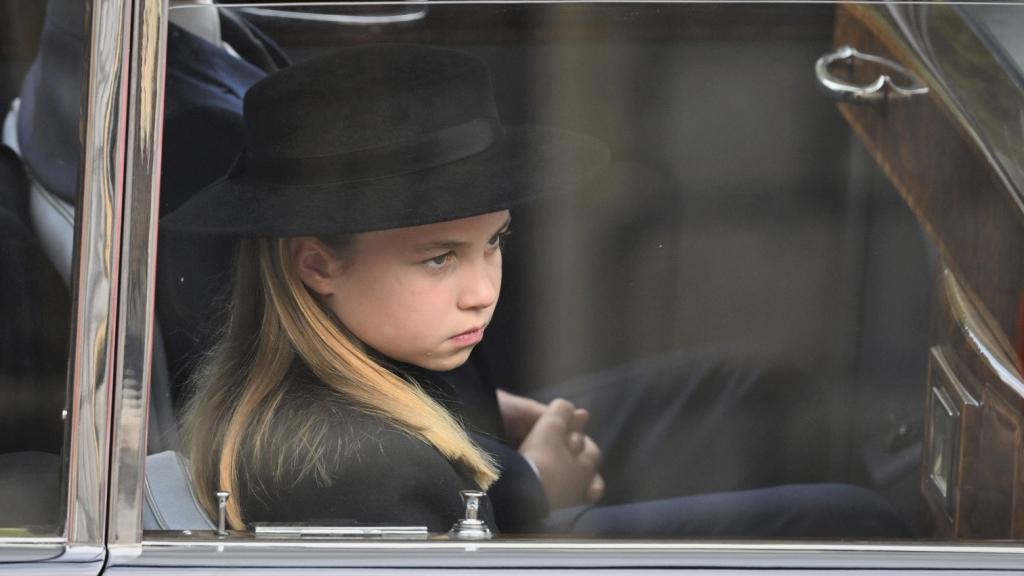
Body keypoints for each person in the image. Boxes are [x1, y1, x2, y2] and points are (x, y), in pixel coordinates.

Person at [165, 44, 910, 537]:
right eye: (438, 259)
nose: (482, 292)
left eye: (495, 244)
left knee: (762, 386)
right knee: (849, 522)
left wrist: (498, 423)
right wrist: (536, 483)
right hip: (502, 516)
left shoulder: (374, 335)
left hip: (480, 461)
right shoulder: (345, 470)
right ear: (318, 265)